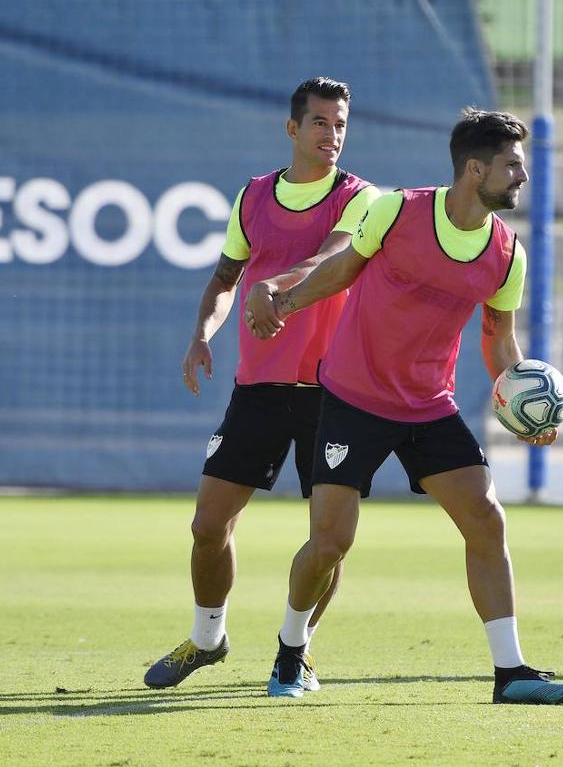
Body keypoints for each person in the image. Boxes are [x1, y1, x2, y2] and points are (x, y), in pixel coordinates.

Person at [250, 108, 563, 705]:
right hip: (353, 397)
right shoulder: (396, 210)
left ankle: (511, 673)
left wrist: (524, 406)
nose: (522, 178)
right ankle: (290, 652)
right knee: (330, 543)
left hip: (429, 405)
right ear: (475, 168)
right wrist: (286, 301)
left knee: (486, 518)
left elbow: (499, 340)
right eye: (512, 166)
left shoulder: (508, 254)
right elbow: (342, 271)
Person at [143, 77, 378, 689]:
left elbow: (332, 256)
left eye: (341, 124)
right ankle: (207, 638)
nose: (333, 135)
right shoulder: (253, 196)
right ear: (292, 129)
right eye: (321, 123)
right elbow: (226, 278)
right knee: (206, 527)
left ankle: (295, 651)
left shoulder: (360, 197)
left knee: (328, 541)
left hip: (337, 393)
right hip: (259, 388)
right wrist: (203, 334)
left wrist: (275, 289)